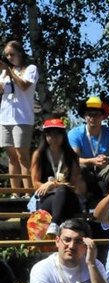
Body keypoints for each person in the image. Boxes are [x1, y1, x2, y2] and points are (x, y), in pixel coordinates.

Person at [67, 96, 109, 204]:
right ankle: (81, 203)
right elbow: (73, 159)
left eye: (96, 114)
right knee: (78, 167)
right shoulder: (75, 133)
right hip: (86, 173)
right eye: (89, 114)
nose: (93, 118)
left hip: (106, 171)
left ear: (102, 117)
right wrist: (92, 161)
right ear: (84, 116)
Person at [29, 119, 85, 236]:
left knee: (62, 190)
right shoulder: (39, 155)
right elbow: (36, 184)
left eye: (58, 133)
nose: (53, 137)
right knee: (59, 195)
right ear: (45, 136)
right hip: (46, 198)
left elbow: (74, 184)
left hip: (69, 197)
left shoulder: (72, 156)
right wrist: (52, 186)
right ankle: (57, 226)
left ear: (63, 135)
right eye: (49, 134)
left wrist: (53, 184)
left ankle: (54, 224)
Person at [1, 40, 39, 199]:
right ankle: (15, 193)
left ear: (20, 53)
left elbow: (24, 86)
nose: (9, 57)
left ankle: (28, 193)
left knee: (22, 156)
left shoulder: (30, 69)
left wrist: (9, 72)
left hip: (22, 118)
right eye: (6, 55)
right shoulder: (4, 72)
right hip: (5, 118)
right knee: (11, 157)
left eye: (12, 54)